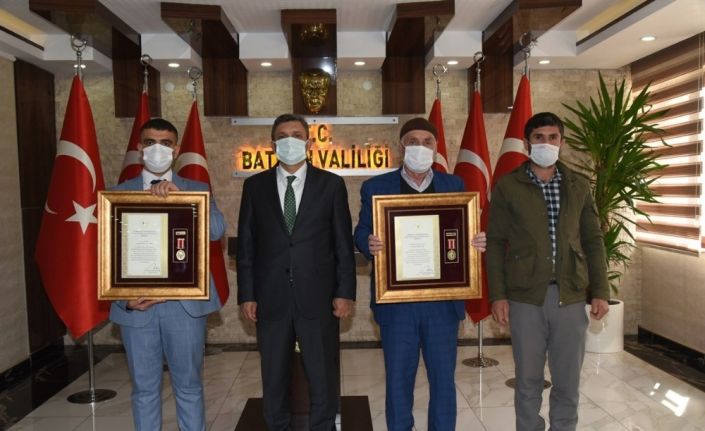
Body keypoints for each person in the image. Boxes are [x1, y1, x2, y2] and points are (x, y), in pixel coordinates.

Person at [354, 117, 486, 431]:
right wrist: (367, 241)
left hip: (442, 305)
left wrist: (475, 242)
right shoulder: (375, 187)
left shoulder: (454, 185)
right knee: (398, 382)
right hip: (396, 304)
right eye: (412, 141)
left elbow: (461, 231)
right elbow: (360, 231)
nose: (420, 147)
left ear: (436, 147)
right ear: (401, 146)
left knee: (443, 381)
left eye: (427, 142)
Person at [486, 112, 610, 431]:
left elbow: (593, 240)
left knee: (567, 380)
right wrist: (498, 295)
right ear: (527, 143)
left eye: (552, 137)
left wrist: (600, 290)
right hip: (525, 298)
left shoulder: (578, 185)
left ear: (561, 142)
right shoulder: (508, 186)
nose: (546, 143)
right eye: (539, 137)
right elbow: (495, 242)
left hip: (569, 296)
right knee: (528, 380)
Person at [236, 113, 356, 431]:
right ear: (272, 144)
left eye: (297, 135)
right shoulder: (254, 186)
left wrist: (345, 292)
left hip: (319, 298)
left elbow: (342, 244)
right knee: (273, 376)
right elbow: (247, 246)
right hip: (270, 298)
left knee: (322, 375)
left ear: (309, 142)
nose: (290, 141)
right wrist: (247, 294)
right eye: (282, 136)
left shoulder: (331, 185)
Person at [109, 118, 226, 431]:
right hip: (137, 307)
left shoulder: (196, 189)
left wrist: (182, 200)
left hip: (184, 306)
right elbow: (107, 255)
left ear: (176, 150)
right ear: (139, 148)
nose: (157, 149)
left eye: (165, 143)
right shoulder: (118, 193)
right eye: (150, 142)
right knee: (144, 390)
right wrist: (123, 300)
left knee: (189, 387)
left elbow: (217, 230)